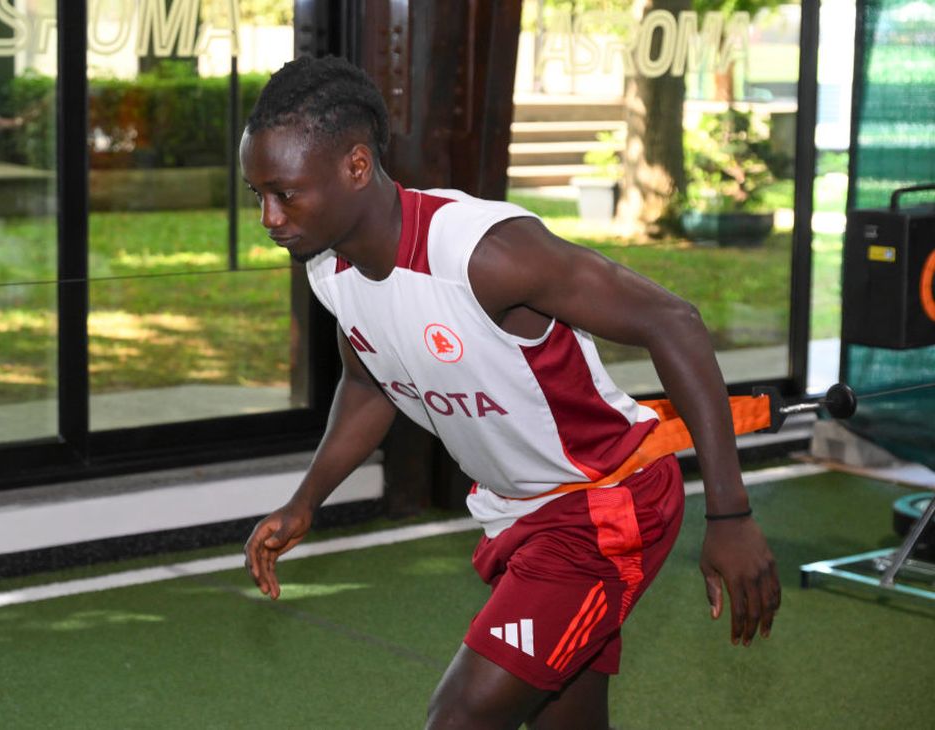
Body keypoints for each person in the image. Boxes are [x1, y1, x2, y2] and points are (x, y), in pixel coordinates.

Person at [242, 55, 779, 730]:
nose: (268, 216)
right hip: (519, 513)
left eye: (284, 193)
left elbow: (673, 321)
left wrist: (729, 515)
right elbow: (369, 381)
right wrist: (304, 501)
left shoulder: (484, 253)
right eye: (256, 194)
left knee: (461, 718)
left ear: (355, 166)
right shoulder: (331, 266)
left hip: (603, 502)